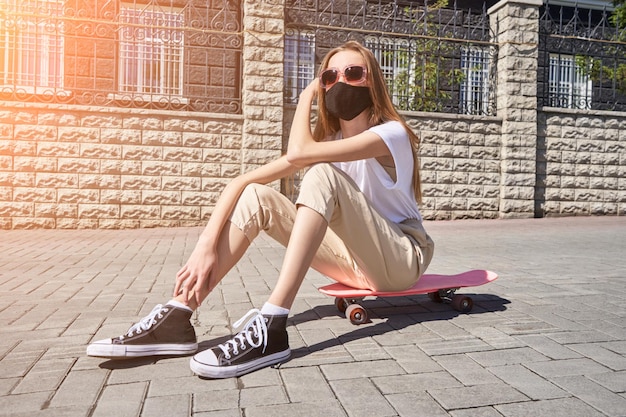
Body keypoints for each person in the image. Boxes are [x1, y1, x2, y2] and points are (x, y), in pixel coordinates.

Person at [86, 40, 434, 379]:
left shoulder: (392, 134)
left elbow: (298, 153)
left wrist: (305, 97)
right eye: (330, 77)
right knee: (257, 196)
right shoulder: (328, 145)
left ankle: (273, 326)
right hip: (356, 261)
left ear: (372, 80)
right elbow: (239, 184)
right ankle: (178, 315)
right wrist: (204, 246)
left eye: (353, 73)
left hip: (402, 258)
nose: (340, 82)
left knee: (321, 174)